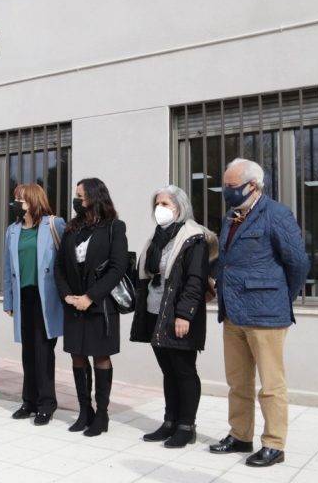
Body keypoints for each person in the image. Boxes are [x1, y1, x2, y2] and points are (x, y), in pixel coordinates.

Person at [210, 158, 309, 468]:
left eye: (231, 186)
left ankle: (274, 444)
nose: (226, 191)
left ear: (252, 186)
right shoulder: (230, 218)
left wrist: (280, 297)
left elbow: (298, 264)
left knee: (271, 384)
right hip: (233, 314)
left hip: (266, 315)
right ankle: (240, 434)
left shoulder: (276, 214)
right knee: (237, 382)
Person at [130, 185, 216, 448]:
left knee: (184, 370)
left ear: (180, 207)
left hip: (178, 314)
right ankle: (170, 421)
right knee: (168, 371)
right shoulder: (157, 238)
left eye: (166, 204)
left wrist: (184, 315)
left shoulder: (194, 238)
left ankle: (186, 426)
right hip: (156, 312)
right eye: (158, 203)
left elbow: (194, 280)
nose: (160, 208)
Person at [55, 178, 127, 437]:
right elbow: (60, 266)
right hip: (73, 304)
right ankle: (84, 411)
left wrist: (90, 297)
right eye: (76, 196)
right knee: (77, 355)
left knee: (100, 356)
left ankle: (102, 414)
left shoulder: (114, 228)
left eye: (81, 196)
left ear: (95, 198)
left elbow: (118, 267)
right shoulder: (71, 228)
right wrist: (67, 296)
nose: (77, 201)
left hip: (100, 305)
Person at [3, 183, 65, 426]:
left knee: (43, 352)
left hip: (46, 298)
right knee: (27, 352)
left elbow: (64, 263)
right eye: (15, 198)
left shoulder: (53, 225)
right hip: (23, 297)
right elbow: (8, 267)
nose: (16, 203)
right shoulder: (13, 230)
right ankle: (28, 401)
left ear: (33, 200)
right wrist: (8, 299)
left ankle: (46, 403)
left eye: (21, 199)